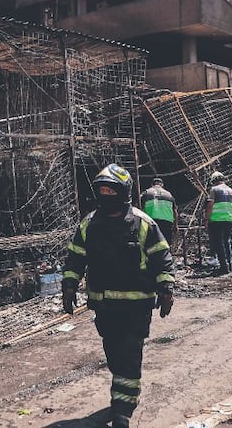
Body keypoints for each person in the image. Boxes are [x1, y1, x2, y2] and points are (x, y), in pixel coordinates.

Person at [62, 164, 174, 428]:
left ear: (123, 192)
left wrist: (167, 288)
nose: (106, 194)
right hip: (104, 307)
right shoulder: (89, 224)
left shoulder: (142, 223)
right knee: (114, 354)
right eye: (102, 190)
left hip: (136, 307)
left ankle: (123, 410)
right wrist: (69, 285)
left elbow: (162, 257)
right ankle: (122, 395)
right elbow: (75, 256)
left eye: (111, 189)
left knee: (128, 356)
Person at [206, 171, 232, 274]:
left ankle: (223, 267)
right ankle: (229, 265)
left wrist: (206, 219)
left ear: (213, 181)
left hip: (216, 220)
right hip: (228, 220)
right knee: (226, 242)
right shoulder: (231, 191)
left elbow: (210, 206)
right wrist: (228, 210)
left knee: (218, 243)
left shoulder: (214, 190)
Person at [140, 177, 177, 245]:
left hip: (151, 221)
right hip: (167, 222)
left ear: (152, 184)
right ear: (162, 185)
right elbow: (175, 211)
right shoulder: (169, 194)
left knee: (152, 243)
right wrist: (175, 225)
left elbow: (138, 206)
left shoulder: (147, 192)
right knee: (166, 243)